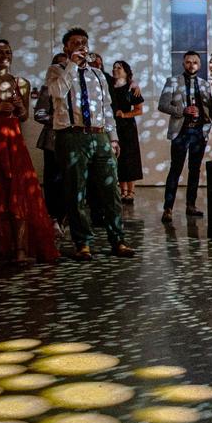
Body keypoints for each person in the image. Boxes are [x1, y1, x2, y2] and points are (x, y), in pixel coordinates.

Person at [0, 40, 59, 267]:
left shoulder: (21, 83)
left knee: (19, 195)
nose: (4, 56)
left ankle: (21, 250)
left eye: (8, 52)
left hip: (13, 143)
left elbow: (24, 116)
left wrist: (19, 108)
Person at [46, 28, 134, 260]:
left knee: (110, 189)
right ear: (66, 47)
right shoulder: (57, 70)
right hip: (72, 135)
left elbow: (106, 109)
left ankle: (118, 240)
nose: (81, 46)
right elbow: (57, 92)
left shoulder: (97, 75)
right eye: (75, 43)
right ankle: (82, 242)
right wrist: (72, 65)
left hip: (100, 135)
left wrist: (113, 138)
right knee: (76, 191)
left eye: (84, 42)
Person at [159, 50, 212, 223]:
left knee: (195, 170)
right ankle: (168, 208)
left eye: (195, 62)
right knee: (175, 169)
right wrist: (182, 110)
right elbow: (163, 105)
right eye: (188, 62)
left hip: (199, 132)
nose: (192, 65)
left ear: (200, 65)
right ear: (184, 64)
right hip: (180, 132)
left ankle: (191, 205)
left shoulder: (206, 85)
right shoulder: (173, 81)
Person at [33, 52, 68, 227]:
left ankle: (67, 215)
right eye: (59, 66)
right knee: (53, 180)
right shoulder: (48, 88)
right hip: (53, 141)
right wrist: (59, 121)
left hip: (73, 141)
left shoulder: (76, 87)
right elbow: (39, 114)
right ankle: (53, 216)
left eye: (65, 66)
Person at [111, 60, 145, 204]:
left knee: (130, 158)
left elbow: (139, 110)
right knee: (119, 158)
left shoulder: (132, 88)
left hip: (128, 127)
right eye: (114, 68)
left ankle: (131, 192)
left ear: (126, 71)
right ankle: (122, 191)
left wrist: (124, 115)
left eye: (119, 68)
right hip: (114, 126)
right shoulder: (109, 87)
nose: (116, 70)